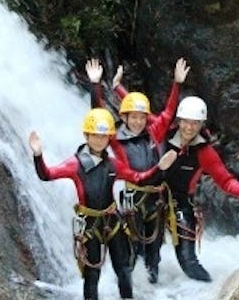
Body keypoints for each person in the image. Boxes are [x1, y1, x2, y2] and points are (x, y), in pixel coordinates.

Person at [29, 108, 177, 300]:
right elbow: (47, 175)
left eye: (104, 136)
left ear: (109, 138)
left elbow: (138, 179)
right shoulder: (74, 165)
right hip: (90, 225)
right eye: (95, 136)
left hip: (113, 221)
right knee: (92, 275)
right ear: (86, 135)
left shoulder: (113, 165)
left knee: (123, 269)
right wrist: (38, 155)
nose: (100, 140)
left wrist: (159, 168)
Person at [84, 58, 189, 284]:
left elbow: (170, 112)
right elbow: (99, 114)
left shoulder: (154, 132)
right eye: (134, 117)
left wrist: (177, 84)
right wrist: (95, 85)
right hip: (133, 200)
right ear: (125, 117)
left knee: (154, 249)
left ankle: (155, 288)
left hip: (156, 199)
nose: (139, 122)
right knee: (133, 249)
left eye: (142, 117)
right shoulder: (116, 139)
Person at [157, 95, 239, 282]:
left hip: (180, 202)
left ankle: (209, 289)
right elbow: (138, 120)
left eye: (195, 124)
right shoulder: (163, 134)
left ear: (201, 125)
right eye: (186, 122)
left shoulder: (204, 152)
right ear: (179, 120)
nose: (189, 128)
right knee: (145, 253)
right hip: (151, 197)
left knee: (188, 261)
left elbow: (225, 181)